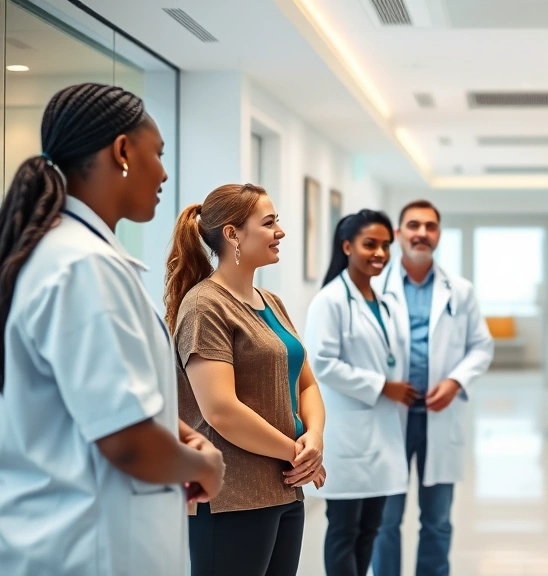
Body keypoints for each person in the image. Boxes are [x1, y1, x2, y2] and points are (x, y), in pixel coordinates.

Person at [0, 83, 225, 575]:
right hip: (86, 549)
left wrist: (179, 435)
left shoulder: (72, 255)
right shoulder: (82, 265)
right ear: (123, 151)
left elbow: (113, 401)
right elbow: (127, 441)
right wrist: (204, 465)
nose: (164, 173)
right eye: (158, 154)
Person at [165, 183, 326, 575]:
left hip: (285, 489)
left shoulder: (272, 302)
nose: (280, 232)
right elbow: (221, 410)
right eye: (269, 223)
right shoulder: (205, 306)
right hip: (231, 495)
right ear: (233, 234)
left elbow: (306, 383)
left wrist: (315, 440)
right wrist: (296, 453)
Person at [371, 200, 495, 576]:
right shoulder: (374, 287)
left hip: (440, 416)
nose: (421, 233)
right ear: (398, 234)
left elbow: (482, 347)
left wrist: (456, 381)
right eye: (413, 225)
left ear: (438, 234)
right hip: (391, 416)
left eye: (430, 226)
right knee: (385, 521)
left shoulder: (460, 290)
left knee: (438, 520)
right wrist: (381, 386)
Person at [305, 209, 410, 576]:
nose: (380, 253)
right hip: (347, 437)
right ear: (347, 246)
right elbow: (322, 363)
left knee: (370, 530)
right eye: (370, 244)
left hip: (380, 437)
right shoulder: (330, 301)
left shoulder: (383, 302)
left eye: (385, 245)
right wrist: (383, 387)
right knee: (344, 532)